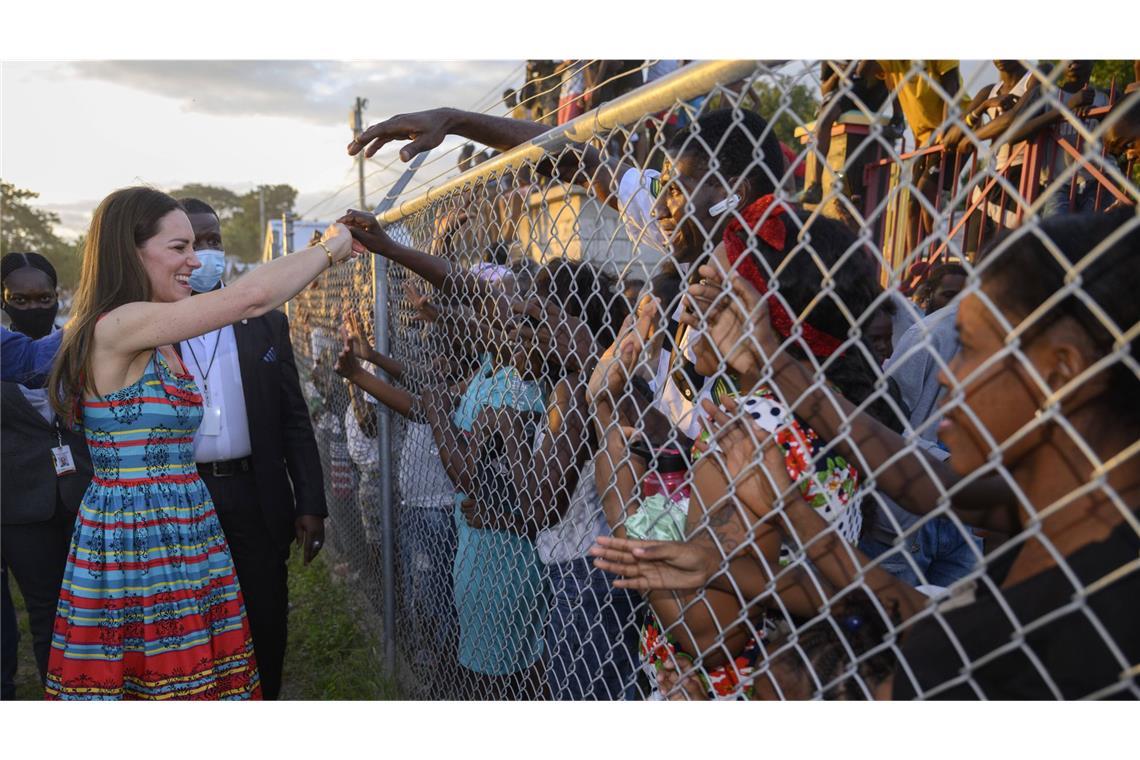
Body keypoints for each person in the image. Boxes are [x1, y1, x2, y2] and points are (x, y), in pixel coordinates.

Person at [597, 211, 1140, 700]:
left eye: (970, 347)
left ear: (1061, 371)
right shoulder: (1071, 502)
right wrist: (772, 361)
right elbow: (916, 488)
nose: (947, 374)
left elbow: (914, 619)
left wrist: (779, 512)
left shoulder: (1096, 603)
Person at [43, 186, 357, 700]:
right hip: (139, 534)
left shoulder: (156, 328)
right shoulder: (120, 325)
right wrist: (331, 247)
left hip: (185, 522)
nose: (195, 261)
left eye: (195, 246)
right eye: (179, 248)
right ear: (131, 249)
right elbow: (251, 297)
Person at [173, 198, 328, 700]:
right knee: (194, 618)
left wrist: (310, 503)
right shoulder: (152, 327)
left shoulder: (265, 322)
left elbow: (293, 420)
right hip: (184, 497)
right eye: (192, 244)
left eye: (213, 241)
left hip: (255, 493)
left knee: (264, 611)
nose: (205, 254)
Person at [1, 253, 93, 690]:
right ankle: (57, 693)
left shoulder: (81, 346)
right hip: (21, 507)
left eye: (44, 298)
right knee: (45, 611)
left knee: (94, 607)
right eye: (21, 298)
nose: (34, 307)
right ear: (4, 301)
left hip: (85, 496)